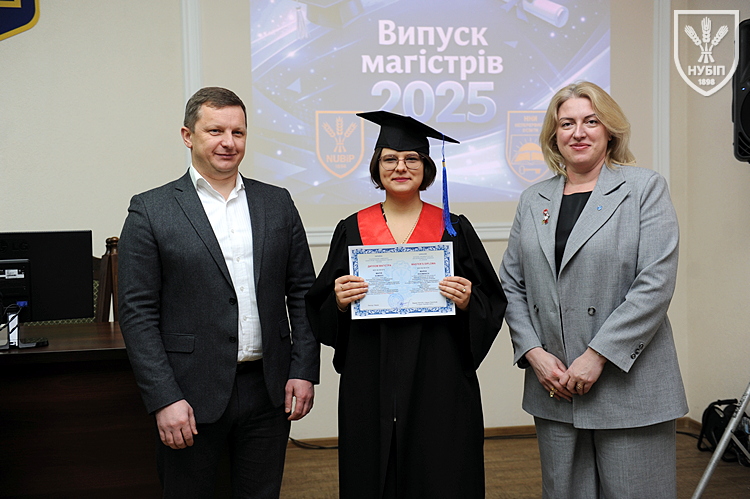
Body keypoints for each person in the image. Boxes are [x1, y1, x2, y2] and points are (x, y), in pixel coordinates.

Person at [118, 87, 319, 498]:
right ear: (187, 135)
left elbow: (303, 293)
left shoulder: (277, 203)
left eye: (238, 132)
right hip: (188, 396)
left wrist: (303, 369)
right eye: (215, 131)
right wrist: (164, 398)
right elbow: (137, 314)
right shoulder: (151, 210)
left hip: (268, 391)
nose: (229, 142)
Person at [499, 81, 687, 498]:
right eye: (567, 123)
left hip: (628, 384)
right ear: (554, 135)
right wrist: (534, 354)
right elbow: (510, 284)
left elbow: (655, 282)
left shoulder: (644, 188)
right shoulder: (532, 199)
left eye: (591, 121)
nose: (578, 132)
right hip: (555, 386)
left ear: (610, 131)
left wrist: (598, 355)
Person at [306, 111, 507, 498]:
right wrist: (339, 301)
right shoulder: (352, 229)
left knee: (441, 472)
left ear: (427, 167)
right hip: (370, 376)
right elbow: (320, 307)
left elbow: (492, 302)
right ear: (377, 166)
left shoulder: (453, 229)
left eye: (411, 158)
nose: (400, 167)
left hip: (439, 377)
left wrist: (469, 300)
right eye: (390, 159)